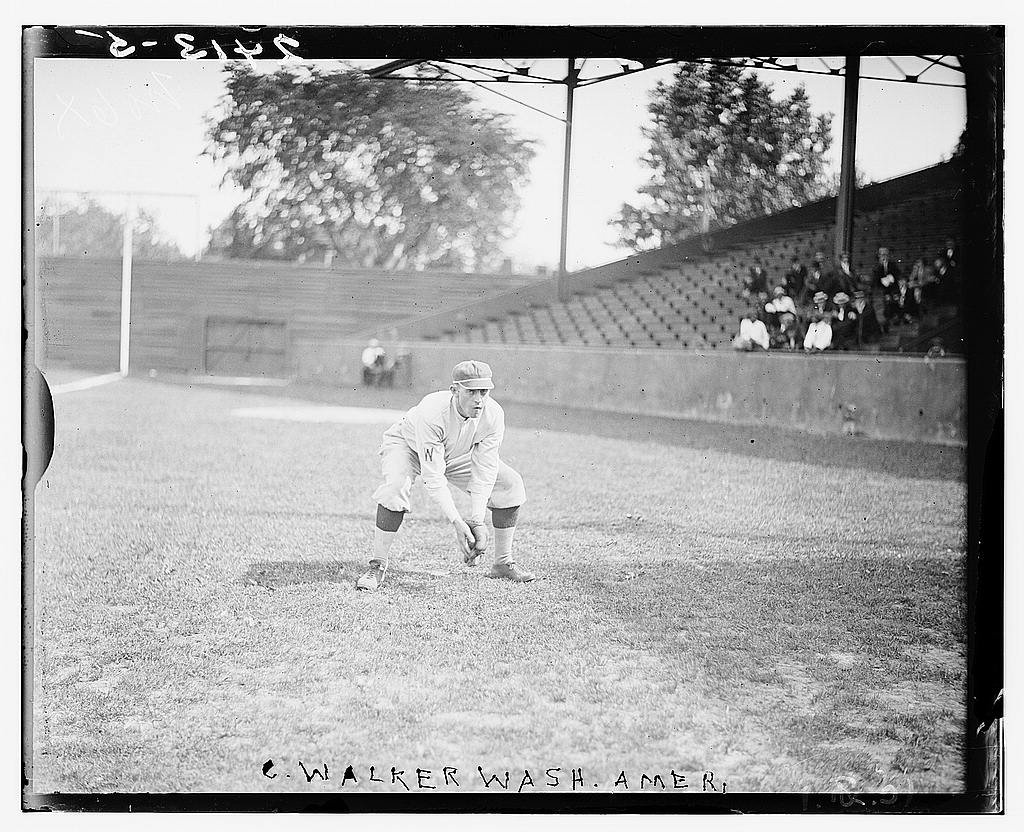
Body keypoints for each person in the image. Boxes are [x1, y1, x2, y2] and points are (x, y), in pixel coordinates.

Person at [356, 360, 533, 591]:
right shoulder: (433, 411)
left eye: (484, 391)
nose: (479, 399)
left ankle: (502, 563)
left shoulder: (493, 414)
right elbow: (434, 478)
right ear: (454, 390)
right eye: (471, 392)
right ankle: (378, 564)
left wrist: (477, 520)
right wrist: (457, 522)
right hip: (408, 445)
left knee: (510, 484)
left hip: (455, 453)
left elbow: (485, 470)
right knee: (396, 487)